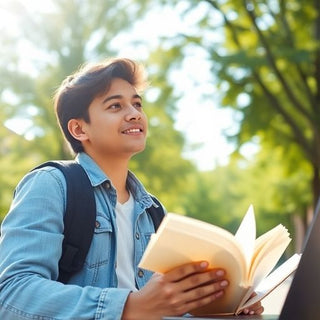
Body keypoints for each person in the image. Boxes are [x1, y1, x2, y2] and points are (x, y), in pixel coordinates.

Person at [0, 58, 263, 319]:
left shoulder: (152, 211)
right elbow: (12, 294)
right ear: (79, 129)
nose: (134, 113)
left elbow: (160, 308)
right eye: (115, 105)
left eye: (137, 104)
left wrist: (224, 310)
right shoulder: (51, 185)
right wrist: (129, 306)